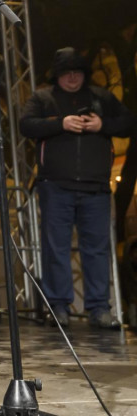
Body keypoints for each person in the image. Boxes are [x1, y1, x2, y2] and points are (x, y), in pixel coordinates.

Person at [20, 47, 134, 329]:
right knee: (55, 248)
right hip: (56, 186)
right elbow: (26, 125)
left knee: (96, 249)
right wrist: (61, 123)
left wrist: (101, 124)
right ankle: (58, 307)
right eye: (66, 73)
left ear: (83, 73)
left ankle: (99, 308)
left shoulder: (101, 97)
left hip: (96, 187)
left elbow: (129, 123)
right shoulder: (43, 97)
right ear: (57, 75)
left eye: (77, 72)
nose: (72, 77)